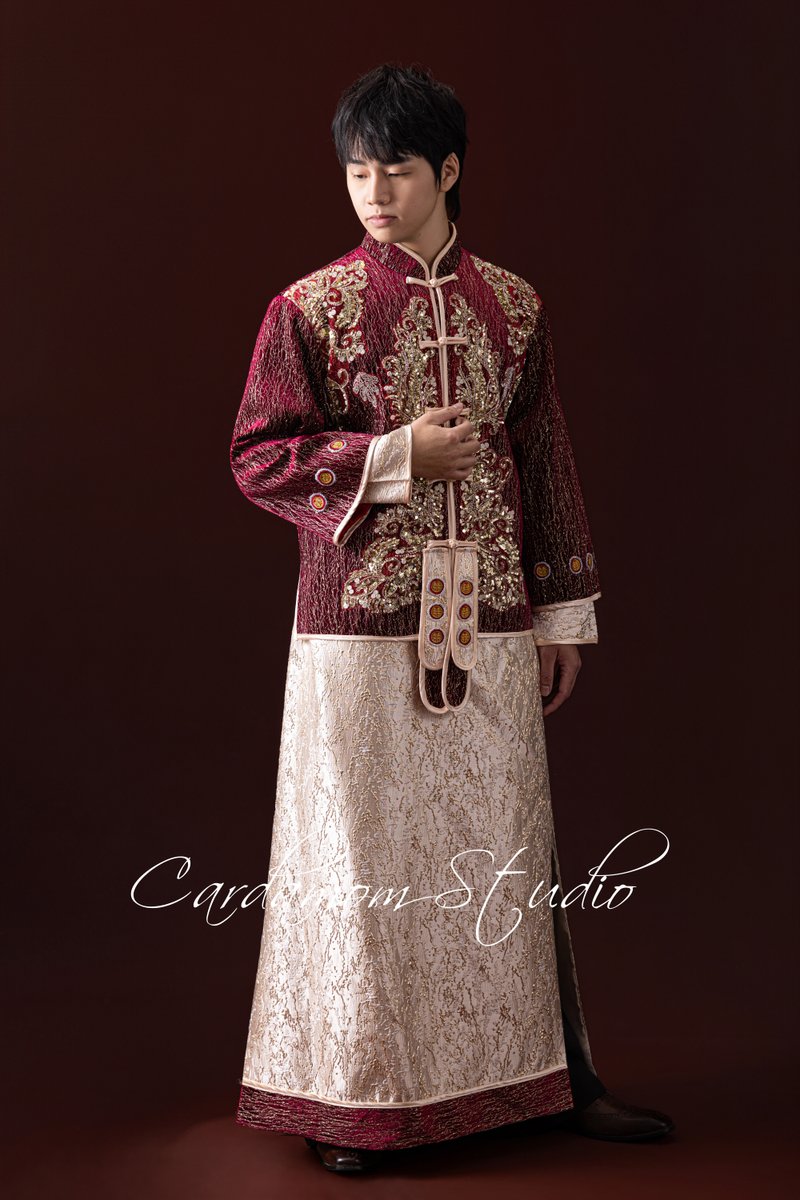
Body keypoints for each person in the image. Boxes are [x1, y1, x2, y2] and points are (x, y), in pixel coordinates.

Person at [229, 62, 674, 1175]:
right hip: (358, 631)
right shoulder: (309, 307)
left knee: (503, 850)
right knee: (364, 864)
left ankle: (545, 1080)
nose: (374, 192)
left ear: (449, 169)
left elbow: (544, 457)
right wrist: (390, 459)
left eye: (396, 169)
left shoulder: (513, 306)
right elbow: (257, 455)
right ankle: (357, 1106)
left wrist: (561, 613)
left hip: (490, 620)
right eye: (357, 173)